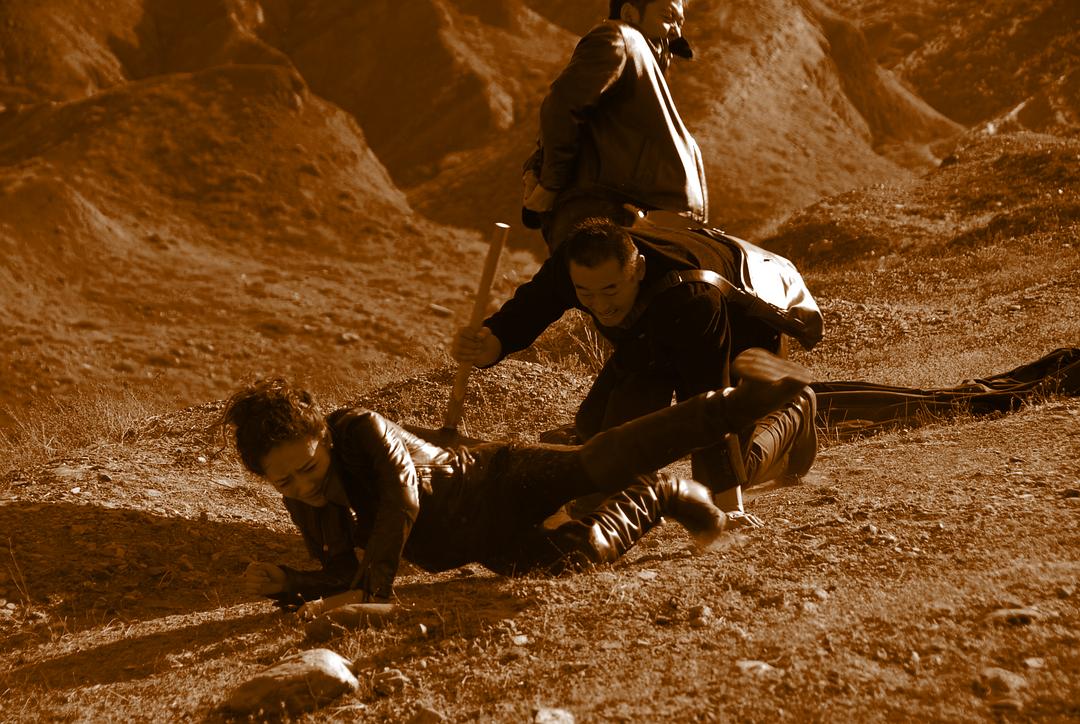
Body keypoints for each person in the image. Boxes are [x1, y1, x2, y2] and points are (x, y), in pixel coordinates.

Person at [222, 349, 813, 607]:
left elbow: (402, 496)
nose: (303, 486)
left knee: (598, 460)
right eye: (285, 483)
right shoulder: (307, 500)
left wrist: (375, 592)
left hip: (496, 480)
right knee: (579, 560)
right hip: (481, 543)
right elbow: (339, 572)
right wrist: (289, 583)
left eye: (308, 468)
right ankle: (665, 492)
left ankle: (746, 399)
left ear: (323, 437)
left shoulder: (359, 427)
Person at [453, 217, 818, 517]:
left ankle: (795, 410)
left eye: (611, 290)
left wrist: (728, 507)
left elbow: (709, 397)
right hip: (655, 325)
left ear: (638, 268)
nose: (600, 305)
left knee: (731, 472)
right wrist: (489, 343)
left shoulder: (693, 300)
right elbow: (530, 307)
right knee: (599, 437)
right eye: (586, 294)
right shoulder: (574, 264)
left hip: (744, 329)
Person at [522, 0, 707, 251]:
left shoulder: (640, 56)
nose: (676, 31)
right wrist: (549, 185)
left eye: (680, 22)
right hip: (594, 205)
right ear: (629, 14)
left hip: (608, 205)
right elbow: (562, 107)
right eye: (667, 17)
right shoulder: (617, 37)